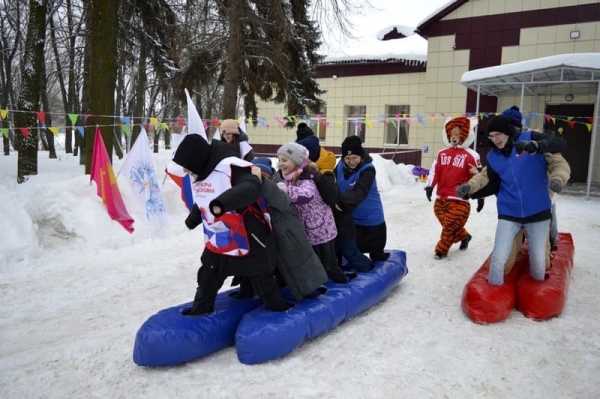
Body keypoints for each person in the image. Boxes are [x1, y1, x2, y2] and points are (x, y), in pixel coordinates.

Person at [172, 134, 289, 315]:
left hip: (248, 233)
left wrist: (222, 204)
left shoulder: (231, 166)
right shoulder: (201, 172)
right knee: (208, 273)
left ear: (197, 159)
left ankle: (277, 308)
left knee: (260, 274)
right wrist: (194, 218)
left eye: (187, 167)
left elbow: (250, 187)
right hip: (218, 236)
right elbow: (204, 199)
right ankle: (201, 307)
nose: (186, 172)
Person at [457, 115, 567, 286]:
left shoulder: (531, 139)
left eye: (498, 134)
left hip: (537, 211)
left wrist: (556, 177)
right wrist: (469, 189)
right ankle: (493, 295)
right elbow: (486, 178)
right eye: (491, 136)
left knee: (539, 265)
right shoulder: (494, 156)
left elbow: (559, 152)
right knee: (500, 259)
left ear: (508, 132)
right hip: (509, 213)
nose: (495, 139)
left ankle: (547, 243)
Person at [250, 157, 330, 299]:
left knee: (299, 260)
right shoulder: (254, 187)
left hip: (288, 231)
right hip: (272, 232)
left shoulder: (276, 185)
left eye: (264, 175)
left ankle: (311, 288)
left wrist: (264, 183)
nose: (260, 178)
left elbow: (282, 201)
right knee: (278, 264)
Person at [276, 142, 348, 283]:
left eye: (284, 160)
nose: (280, 164)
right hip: (308, 227)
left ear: (296, 162)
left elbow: (306, 196)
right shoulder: (289, 176)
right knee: (315, 260)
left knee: (329, 261)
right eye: (279, 160)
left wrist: (286, 190)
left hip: (322, 227)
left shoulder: (307, 177)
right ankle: (320, 280)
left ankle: (341, 282)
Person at [425, 116, 483, 259]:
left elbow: (480, 177)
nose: (454, 137)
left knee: (450, 224)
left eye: (457, 134)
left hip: (460, 199)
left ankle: (441, 250)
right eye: (452, 133)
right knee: (449, 225)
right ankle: (464, 236)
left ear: (465, 134)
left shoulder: (472, 155)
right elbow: (434, 170)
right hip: (441, 198)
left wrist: (480, 196)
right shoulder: (441, 153)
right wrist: (429, 186)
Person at [335, 135, 389, 262]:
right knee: (353, 252)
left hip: (373, 221)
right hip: (353, 222)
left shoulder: (368, 170)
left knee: (376, 255)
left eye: (354, 157)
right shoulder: (339, 167)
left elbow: (359, 191)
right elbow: (331, 184)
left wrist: (341, 204)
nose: (351, 161)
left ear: (361, 156)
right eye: (347, 158)